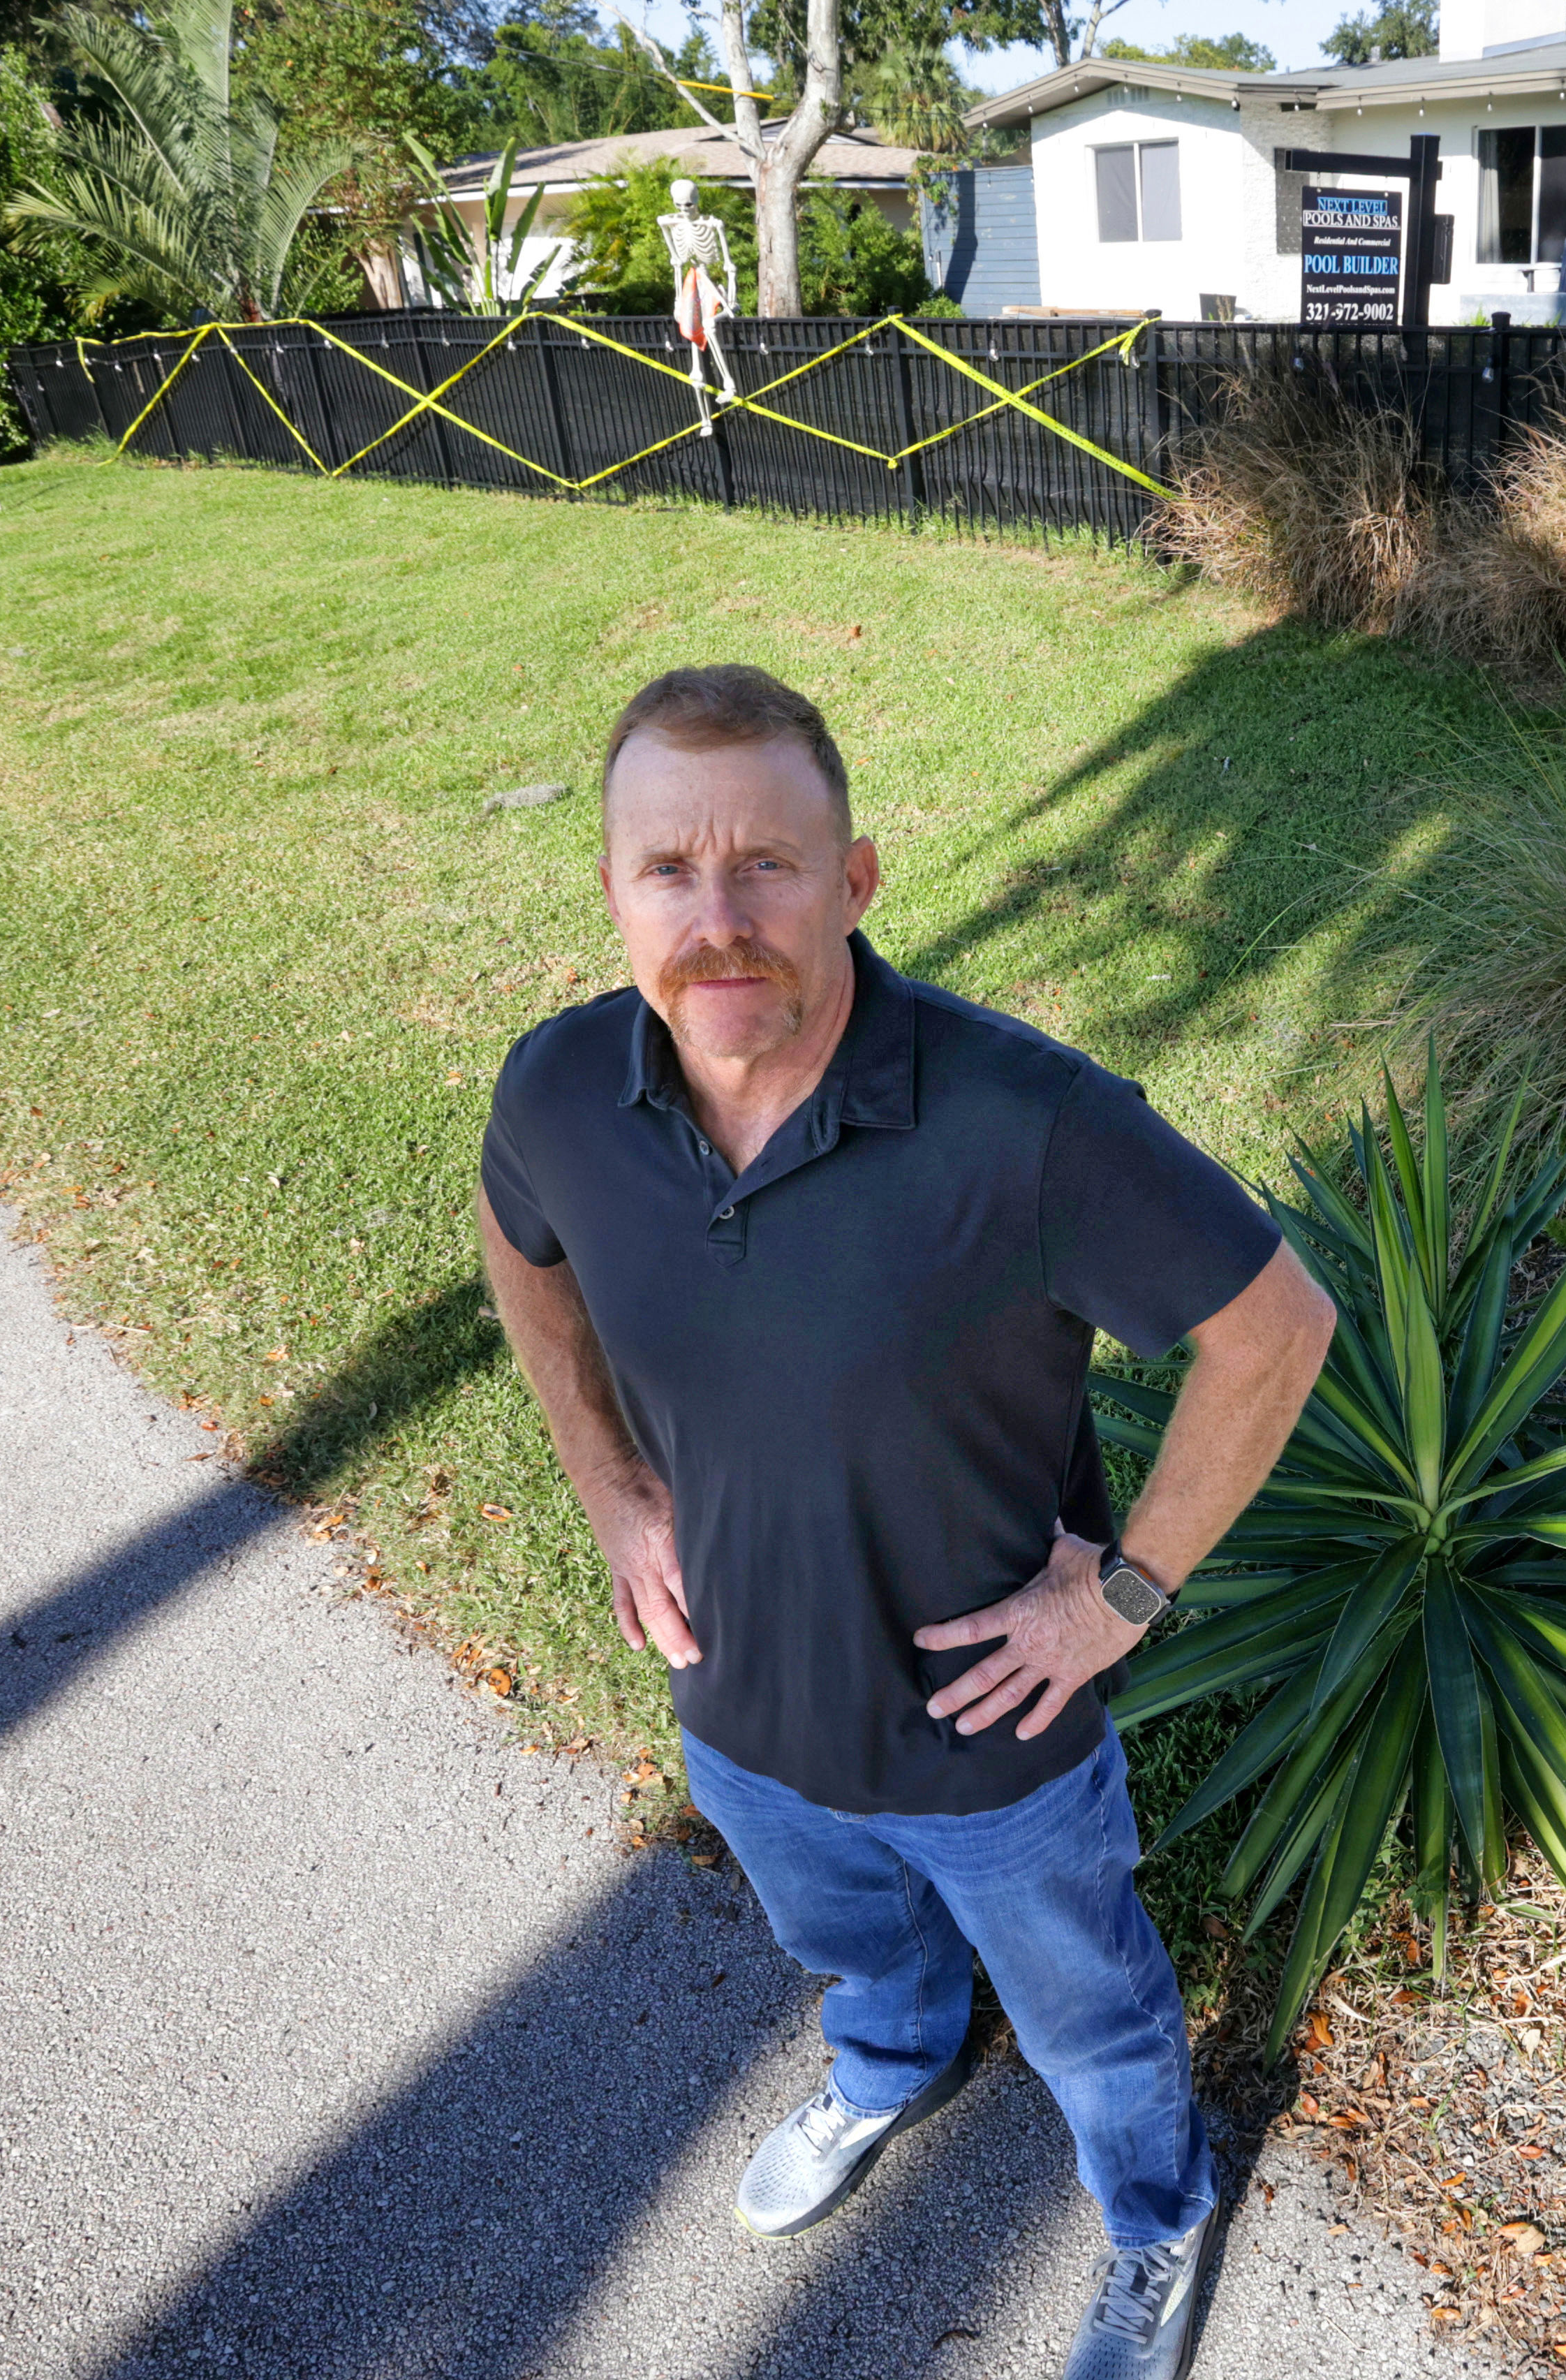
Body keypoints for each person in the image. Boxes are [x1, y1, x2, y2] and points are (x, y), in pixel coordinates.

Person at [475, 666, 1334, 2380]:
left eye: (767, 867)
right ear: (612, 890)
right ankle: (887, 2065)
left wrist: (1128, 1593)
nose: (718, 924)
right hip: (737, 1711)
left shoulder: (1026, 1124)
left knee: (1093, 2019)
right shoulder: (565, 1091)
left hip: (988, 1748)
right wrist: (606, 1482)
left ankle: (1156, 2221)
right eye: (668, 872)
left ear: (855, 879)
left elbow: (1276, 1328)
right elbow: (524, 1247)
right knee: (843, 1943)